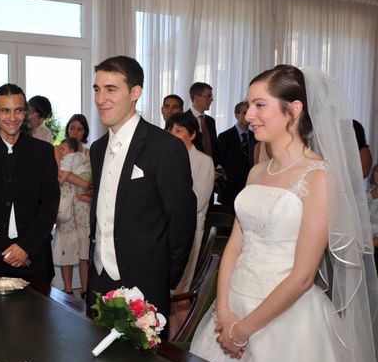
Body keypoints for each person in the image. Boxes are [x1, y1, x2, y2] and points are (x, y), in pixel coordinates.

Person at [190, 65, 378, 362]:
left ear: (293, 110)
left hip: (285, 318)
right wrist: (225, 311)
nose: (248, 115)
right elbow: (235, 246)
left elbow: (304, 276)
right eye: (248, 106)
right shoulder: (257, 171)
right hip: (231, 309)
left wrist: (244, 329)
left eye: (260, 105)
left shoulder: (320, 177)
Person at [87, 56, 196, 318]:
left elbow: (181, 218)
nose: (101, 99)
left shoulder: (165, 148)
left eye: (111, 89)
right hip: (99, 279)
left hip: (146, 283)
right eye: (97, 89)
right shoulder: (98, 148)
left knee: (143, 360)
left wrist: (164, 278)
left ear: (135, 93)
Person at [0, 84, 59, 285]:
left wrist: (24, 247)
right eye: (5, 110)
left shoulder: (43, 152)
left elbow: (49, 206)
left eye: (18, 110)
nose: (12, 117)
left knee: (37, 317)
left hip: (33, 260)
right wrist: (5, 249)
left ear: (25, 113)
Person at [165, 112, 215, 335]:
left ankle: (183, 338)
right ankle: (172, 339)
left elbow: (198, 201)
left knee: (180, 291)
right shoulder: (165, 157)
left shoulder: (203, 161)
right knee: (168, 291)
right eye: (170, 130)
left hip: (189, 232)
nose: (173, 135)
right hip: (165, 231)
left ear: (193, 134)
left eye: (179, 131)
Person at [53, 137, 92, 295]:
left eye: (80, 129)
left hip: (81, 207)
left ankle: (84, 289)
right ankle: (68, 289)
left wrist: (85, 186)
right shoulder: (58, 150)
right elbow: (62, 173)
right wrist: (85, 184)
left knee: (84, 250)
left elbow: (65, 175)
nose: (76, 132)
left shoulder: (86, 154)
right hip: (68, 207)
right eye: (72, 128)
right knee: (66, 248)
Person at [216, 101, 256, 213]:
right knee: (225, 225)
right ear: (236, 115)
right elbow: (219, 163)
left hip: (249, 186)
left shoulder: (256, 137)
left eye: (249, 112)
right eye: (244, 113)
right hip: (230, 189)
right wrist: (223, 185)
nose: (247, 116)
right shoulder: (225, 137)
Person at [183, 82, 219, 162]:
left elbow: (214, 147)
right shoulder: (184, 120)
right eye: (208, 96)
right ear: (196, 98)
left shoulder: (211, 121)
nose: (212, 99)